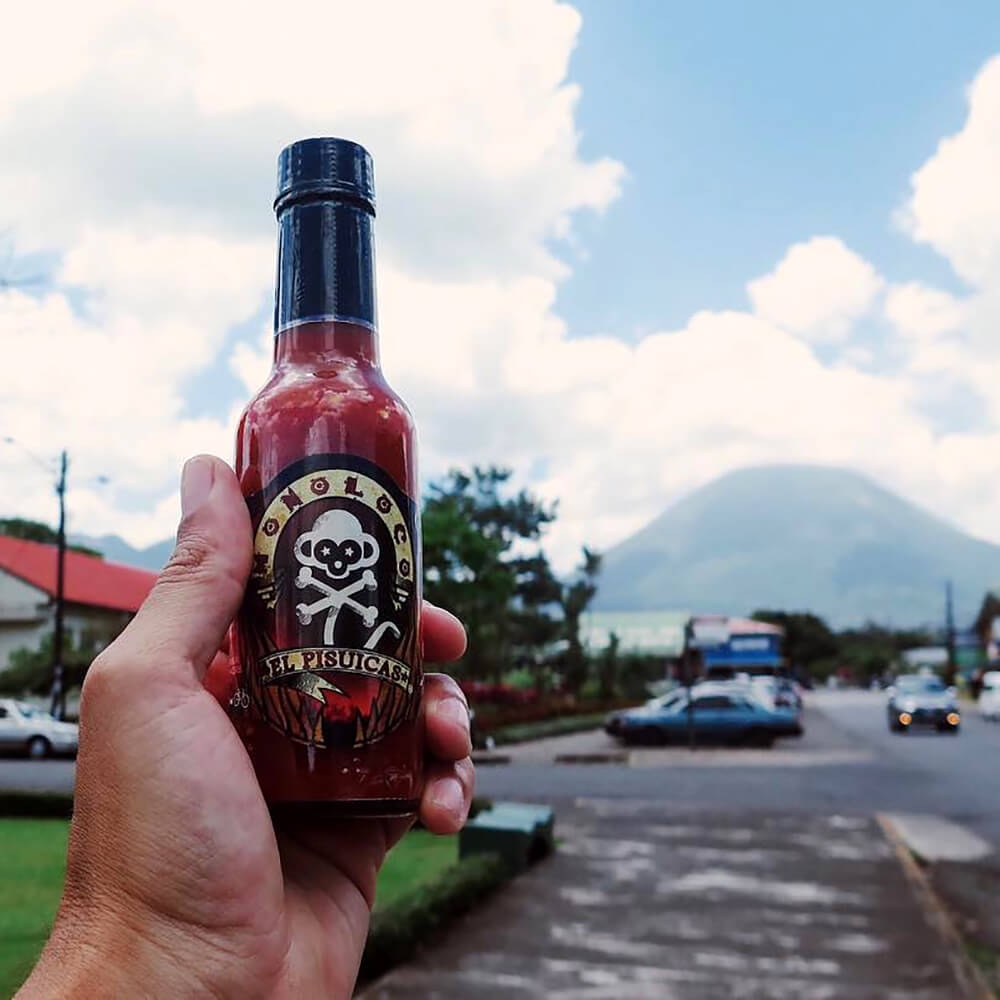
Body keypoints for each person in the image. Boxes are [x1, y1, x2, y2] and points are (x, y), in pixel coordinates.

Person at [17, 456, 473, 999]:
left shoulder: (375, 415)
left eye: (352, 556)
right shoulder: (287, 415)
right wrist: (149, 937)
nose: (336, 565)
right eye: (323, 554)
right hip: (272, 795)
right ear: (305, 555)